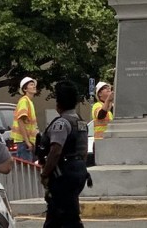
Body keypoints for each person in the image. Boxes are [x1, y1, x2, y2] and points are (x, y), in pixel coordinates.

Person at [39, 80, 89, 228]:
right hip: (79, 171)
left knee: (66, 215)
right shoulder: (81, 122)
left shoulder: (61, 123)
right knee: (57, 214)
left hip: (63, 174)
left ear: (58, 104)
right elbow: (84, 150)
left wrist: (45, 174)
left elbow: (55, 151)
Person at [11, 76, 39, 161]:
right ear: (25, 89)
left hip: (26, 142)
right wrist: (27, 142)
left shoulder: (29, 101)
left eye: (34, 84)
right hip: (24, 142)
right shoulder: (24, 101)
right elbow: (20, 121)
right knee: (26, 171)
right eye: (31, 85)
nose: (34, 86)